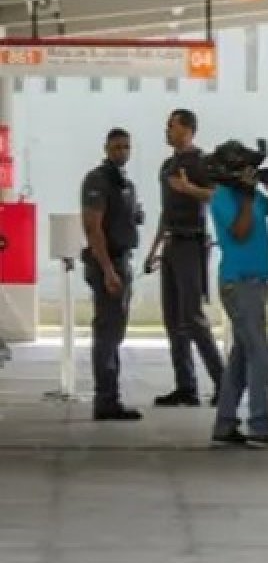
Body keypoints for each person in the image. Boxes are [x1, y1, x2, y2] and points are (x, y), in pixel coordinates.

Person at [208, 146, 268, 448]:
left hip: (256, 284)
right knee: (262, 357)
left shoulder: (256, 197)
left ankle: (225, 423)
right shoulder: (221, 198)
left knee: (242, 357)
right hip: (239, 284)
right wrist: (246, 197)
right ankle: (259, 425)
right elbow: (241, 232)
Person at [143, 109, 224, 407]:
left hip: (192, 243)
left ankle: (222, 381)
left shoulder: (201, 162)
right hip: (172, 244)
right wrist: (154, 250)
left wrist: (189, 188)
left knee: (193, 317)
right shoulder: (168, 165)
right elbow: (166, 211)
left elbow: (216, 195)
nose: (167, 130)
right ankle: (186, 386)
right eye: (167, 125)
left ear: (188, 129)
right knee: (173, 319)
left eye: (172, 126)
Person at [81, 128, 144, 421]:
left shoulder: (125, 183)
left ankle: (110, 396)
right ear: (106, 148)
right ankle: (105, 399)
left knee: (114, 331)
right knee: (107, 332)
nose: (122, 152)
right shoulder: (98, 180)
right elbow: (93, 228)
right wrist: (107, 270)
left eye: (127, 147)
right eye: (117, 147)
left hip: (122, 261)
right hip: (107, 263)